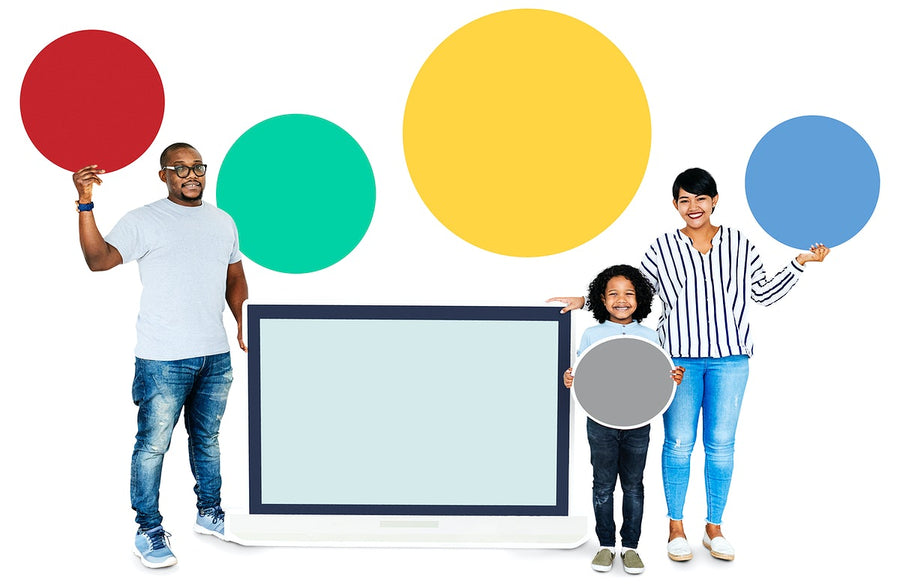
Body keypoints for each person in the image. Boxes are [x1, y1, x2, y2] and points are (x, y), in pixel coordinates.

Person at [549, 168, 828, 563]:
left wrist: (799, 263)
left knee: (721, 447)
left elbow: (763, 293)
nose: (692, 207)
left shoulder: (738, 243)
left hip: (731, 360)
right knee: (678, 445)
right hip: (677, 361)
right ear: (676, 205)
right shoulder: (662, 248)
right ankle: (675, 528)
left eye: (700, 199)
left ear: (714, 201)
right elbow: (631, 292)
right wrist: (583, 300)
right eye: (684, 200)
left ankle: (714, 529)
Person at [73, 142, 249, 569]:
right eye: (180, 168)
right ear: (163, 175)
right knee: (153, 446)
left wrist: (244, 320)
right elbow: (99, 261)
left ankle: (210, 513)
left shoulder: (222, 221)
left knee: (207, 440)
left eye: (198, 167)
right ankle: (148, 529)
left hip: (215, 356)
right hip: (163, 360)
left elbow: (235, 276)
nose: (192, 176)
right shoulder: (144, 220)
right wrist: (85, 203)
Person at [563, 264, 684, 575]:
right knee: (602, 485)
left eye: (629, 294)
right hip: (600, 422)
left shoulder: (650, 334)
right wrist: (569, 378)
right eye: (613, 294)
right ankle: (605, 545)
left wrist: (673, 376)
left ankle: (630, 547)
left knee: (633, 486)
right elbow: (583, 372)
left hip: (637, 423)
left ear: (639, 299)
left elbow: (656, 374)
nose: (621, 299)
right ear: (602, 300)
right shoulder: (592, 334)